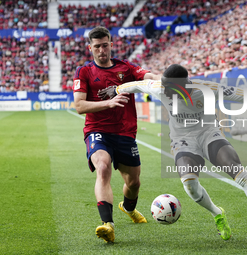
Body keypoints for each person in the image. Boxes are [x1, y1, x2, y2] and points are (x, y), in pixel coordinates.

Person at [98, 64, 247, 243]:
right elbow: (134, 85)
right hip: (183, 142)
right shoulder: (159, 87)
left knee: (240, 174)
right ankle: (218, 214)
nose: (166, 90)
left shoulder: (206, 89)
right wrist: (116, 90)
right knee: (189, 184)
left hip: (209, 134)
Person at [72, 26, 161, 243]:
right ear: (90, 48)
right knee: (102, 167)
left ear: (111, 44)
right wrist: (109, 102)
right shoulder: (84, 72)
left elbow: (147, 76)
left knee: (134, 183)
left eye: (105, 45)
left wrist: (162, 79)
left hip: (125, 132)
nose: (101, 50)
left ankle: (128, 208)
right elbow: (80, 106)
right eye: (97, 47)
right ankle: (107, 225)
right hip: (97, 130)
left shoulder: (125, 68)